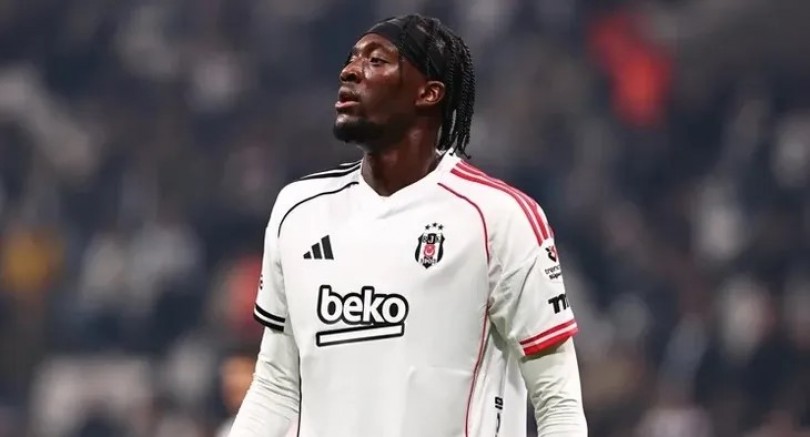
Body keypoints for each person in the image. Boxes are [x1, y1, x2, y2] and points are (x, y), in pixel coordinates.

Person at [228, 14, 587, 437]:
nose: (349, 71)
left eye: (376, 61)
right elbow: (275, 387)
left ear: (428, 93)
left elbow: (558, 403)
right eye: (351, 59)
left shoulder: (497, 217)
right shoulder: (299, 210)